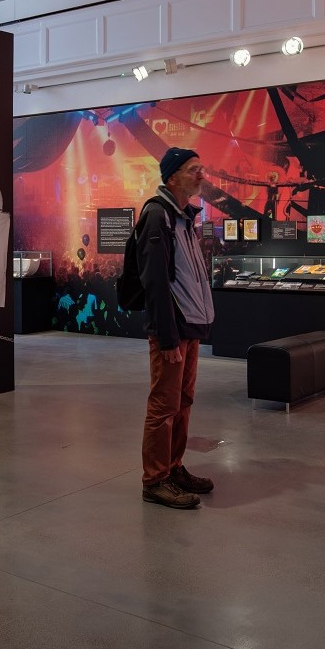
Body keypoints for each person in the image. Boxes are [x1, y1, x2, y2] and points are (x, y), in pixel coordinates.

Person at [138, 147, 216, 509]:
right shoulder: (158, 217)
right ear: (172, 177)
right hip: (172, 329)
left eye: (201, 168)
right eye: (192, 170)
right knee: (164, 405)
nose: (201, 175)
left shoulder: (184, 217)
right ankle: (155, 480)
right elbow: (155, 282)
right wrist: (167, 336)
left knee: (183, 402)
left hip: (189, 326)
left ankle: (173, 466)